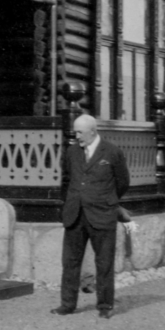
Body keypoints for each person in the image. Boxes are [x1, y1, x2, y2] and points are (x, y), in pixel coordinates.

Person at [52, 113, 137, 319]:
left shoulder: (112, 152)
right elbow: (66, 180)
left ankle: (105, 306)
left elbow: (122, 182)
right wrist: (73, 201)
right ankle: (67, 304)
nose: (76, 136)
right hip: (75, 214)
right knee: (70, 262)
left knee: (104, 263)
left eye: (80, 132)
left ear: (93, 131)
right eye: (75, 132)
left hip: (102, 214)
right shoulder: (72, 152)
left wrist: (106, 200)